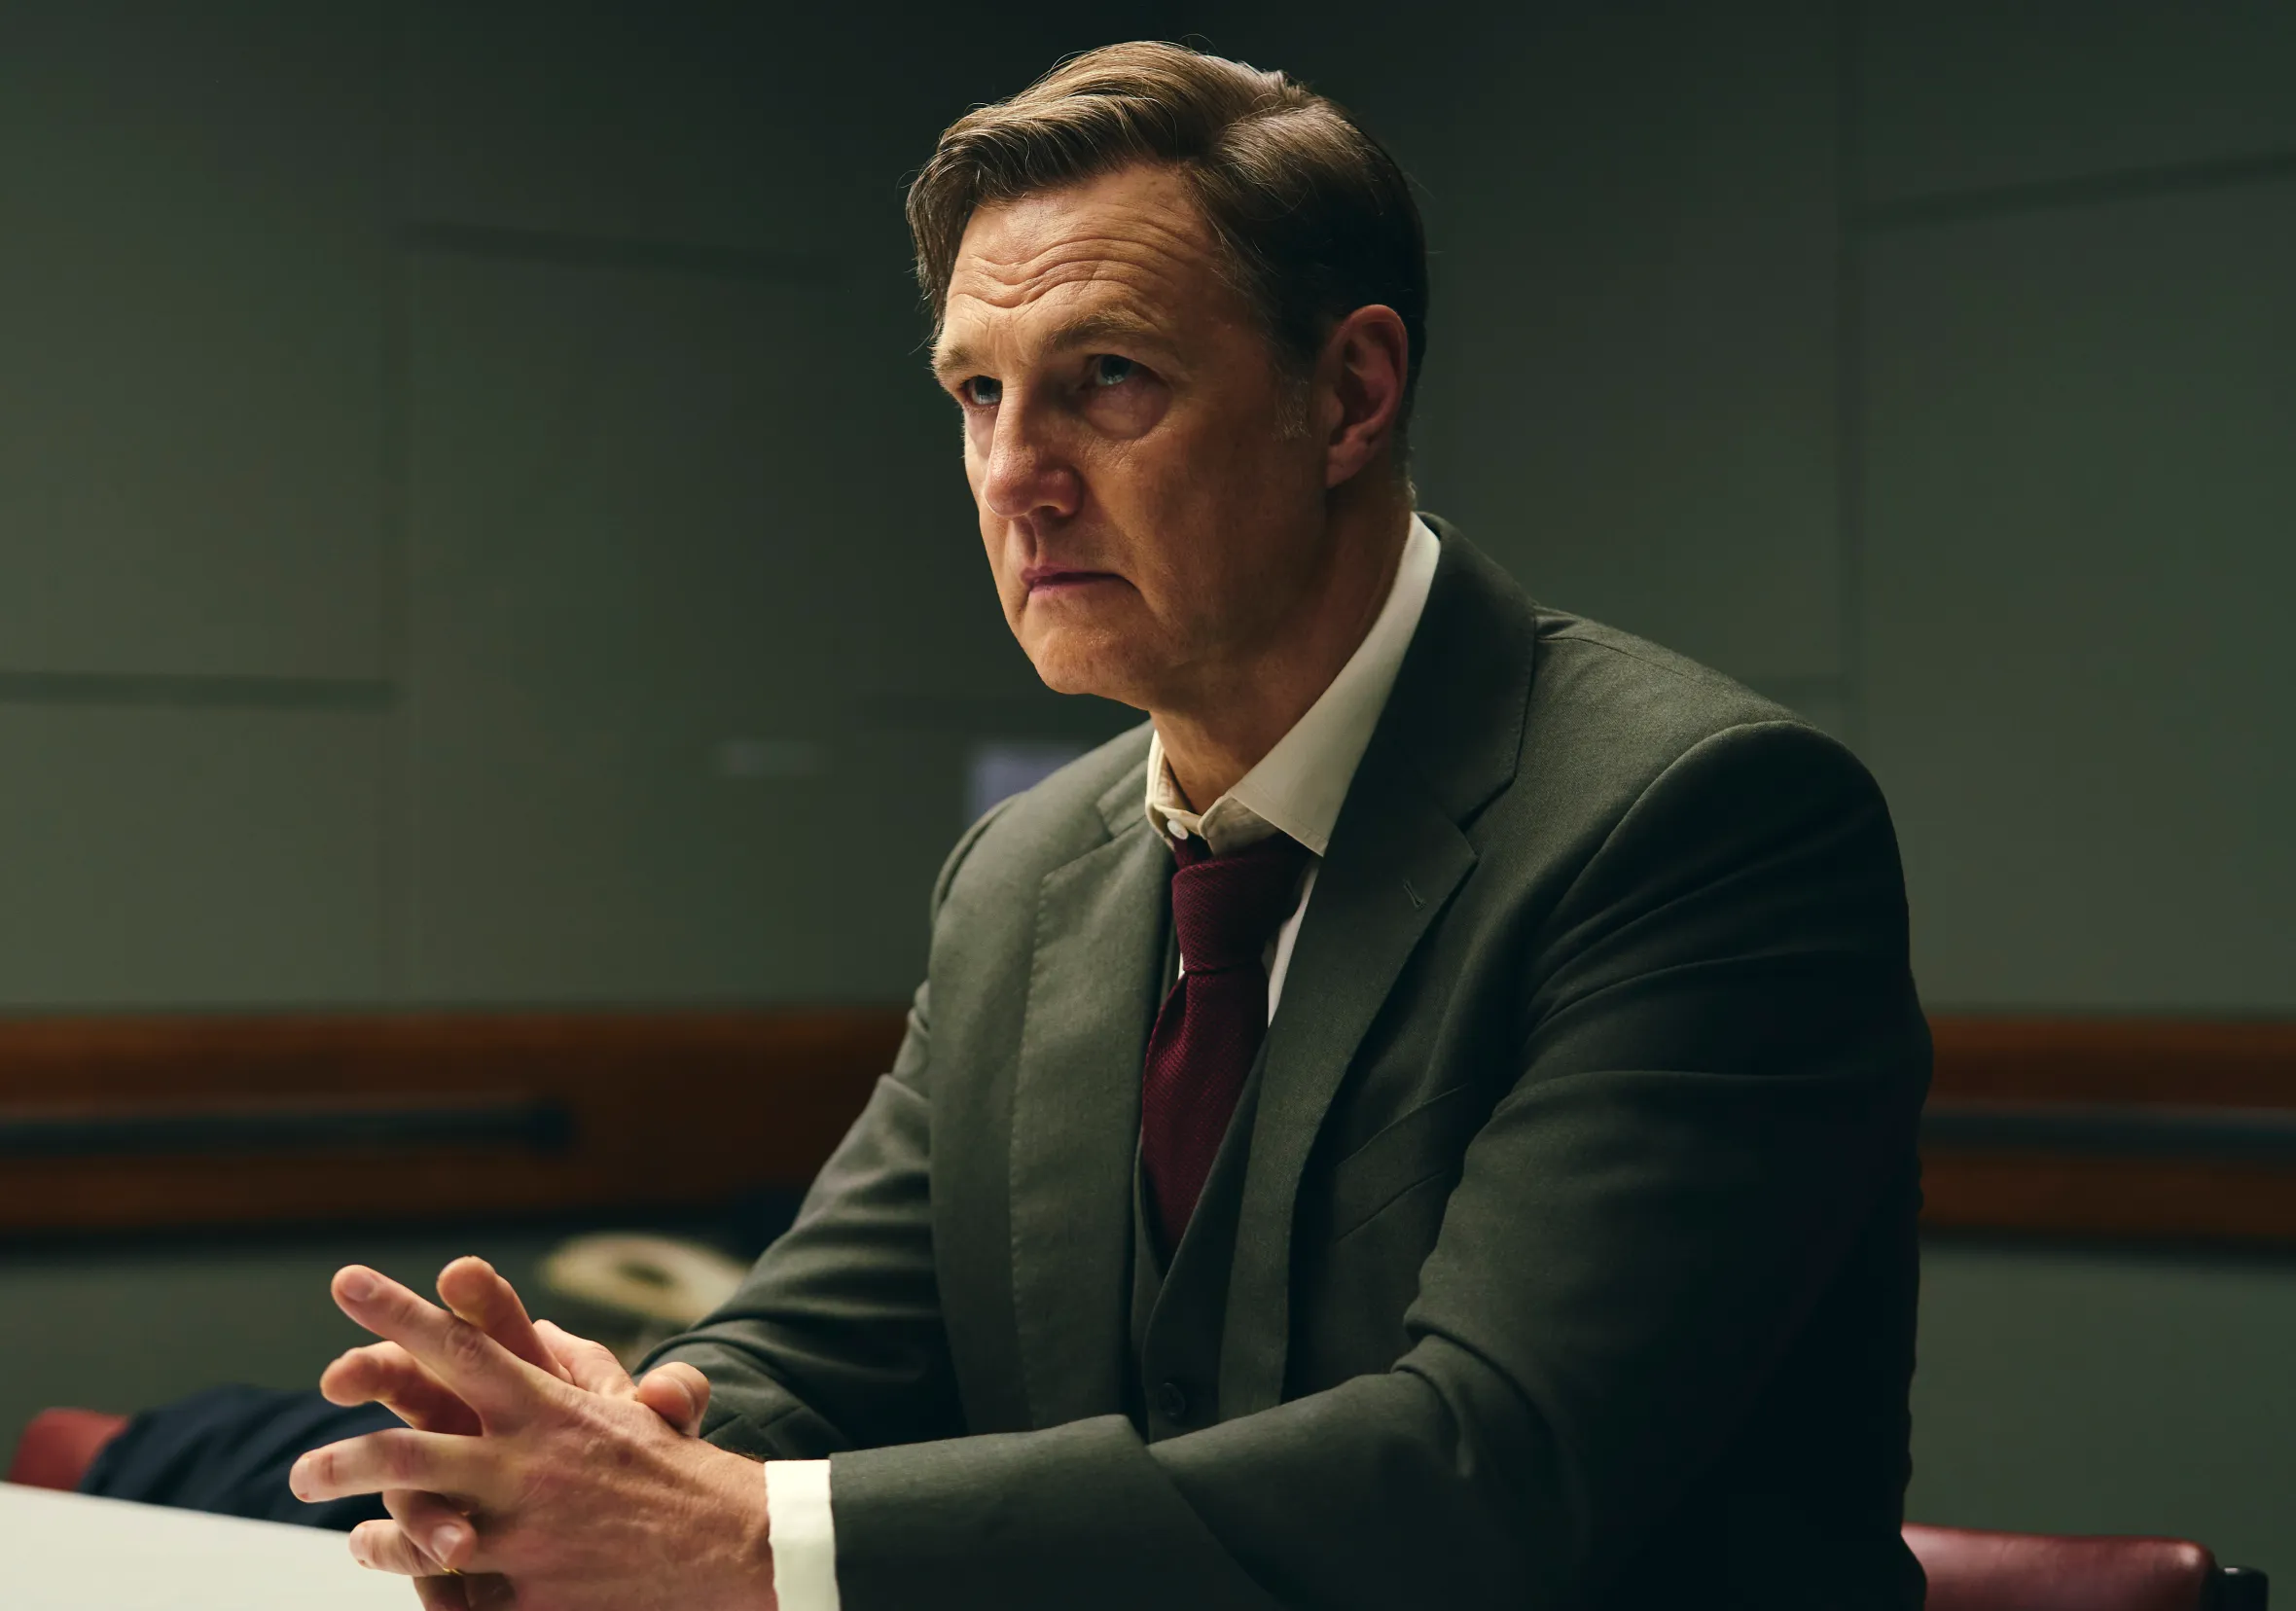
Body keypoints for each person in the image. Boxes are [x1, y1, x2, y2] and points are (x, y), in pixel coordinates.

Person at [280, 41, 1930, 1611]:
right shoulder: (1019, 875)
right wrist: (617, 1448)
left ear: (1350, 394)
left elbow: (1486, 1474)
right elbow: (819, 1353)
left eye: (1107, 380)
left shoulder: (1701, 823)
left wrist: (738, 1531)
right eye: (978, 393)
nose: (1014, 473)